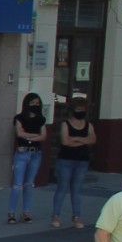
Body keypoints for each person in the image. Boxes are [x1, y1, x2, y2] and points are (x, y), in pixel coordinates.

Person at [53, 94, 97, 228]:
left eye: (83, 109)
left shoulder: (88, 125)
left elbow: (93, 140)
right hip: (65, 160)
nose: (81, 112)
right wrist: (83, 140)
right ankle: (56, 216)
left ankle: (76, 217)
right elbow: (65, 141)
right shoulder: (65, 124)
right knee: (62, 187)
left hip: (82, 161)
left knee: (77, 189)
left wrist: (75, 139)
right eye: (78, 109)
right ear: (72, 110)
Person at [9, 92, 47, 224]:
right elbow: (19, 133)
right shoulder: (19, 118)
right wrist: (34, 135)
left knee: (29, 184)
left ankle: (26, 213)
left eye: (37, 103)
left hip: (36, 153)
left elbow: (43, 136)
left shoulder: (41, 119)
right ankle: (11, 212)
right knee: (17, 184)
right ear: (26, 104)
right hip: (22, 153)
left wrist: (28, 136)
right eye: (33, 103)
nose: (35, 106)